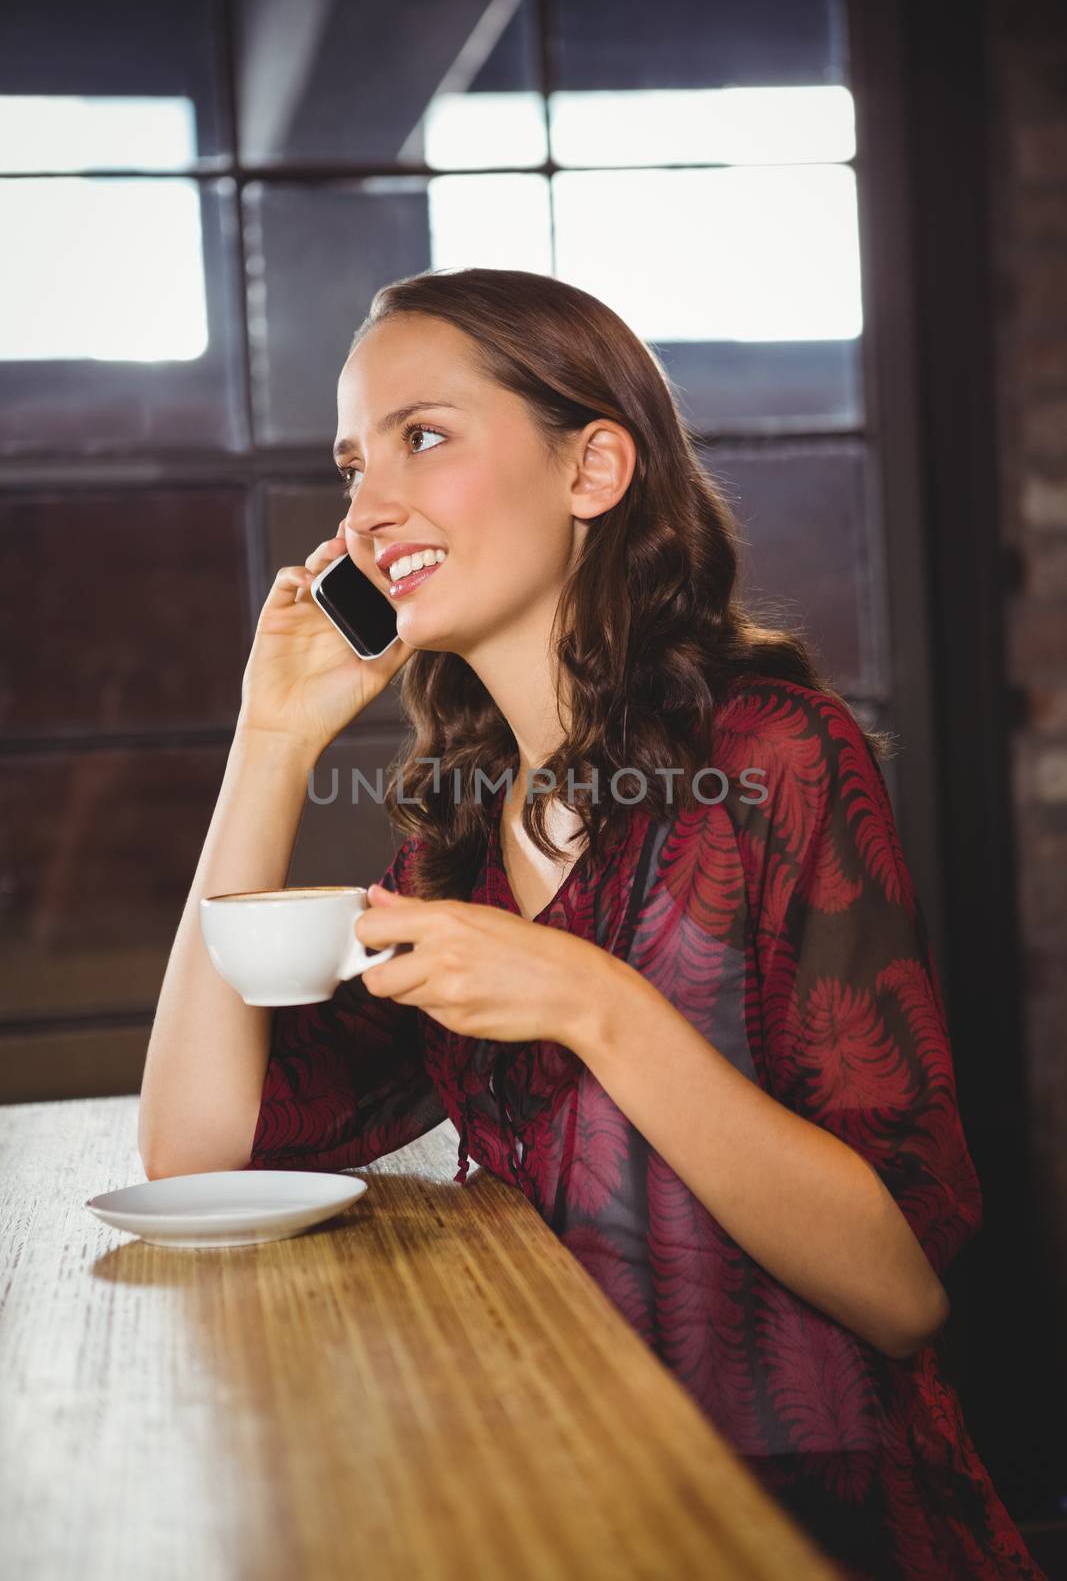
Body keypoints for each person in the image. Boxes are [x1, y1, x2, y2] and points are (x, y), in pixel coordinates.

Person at [138, 267, 1047, 1580]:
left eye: (424, 436)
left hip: (805, 1528)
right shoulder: (456, 840)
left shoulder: (776, 757)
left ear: (594, 469)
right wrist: (270, 740)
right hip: (551, 1505)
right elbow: (196, 1152)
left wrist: (585, 998)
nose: (367, 506)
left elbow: (902, 1295)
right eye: (353, 463)